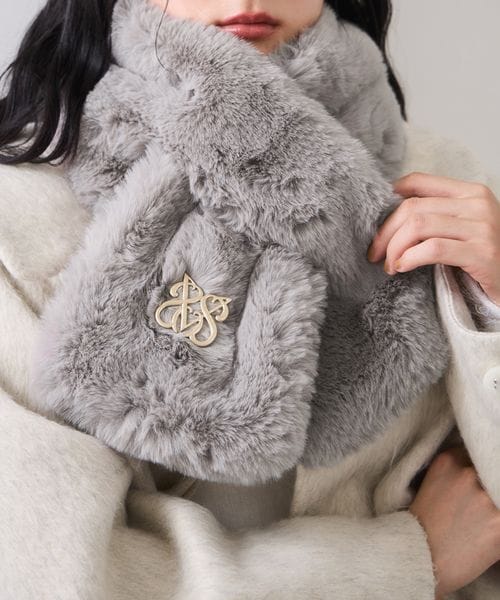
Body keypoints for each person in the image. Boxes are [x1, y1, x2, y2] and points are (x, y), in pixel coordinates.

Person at [0, 1, 499, 599]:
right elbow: (58, 575)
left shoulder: (443, 184)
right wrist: (407, 562)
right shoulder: (16, 215)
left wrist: (496, 301)